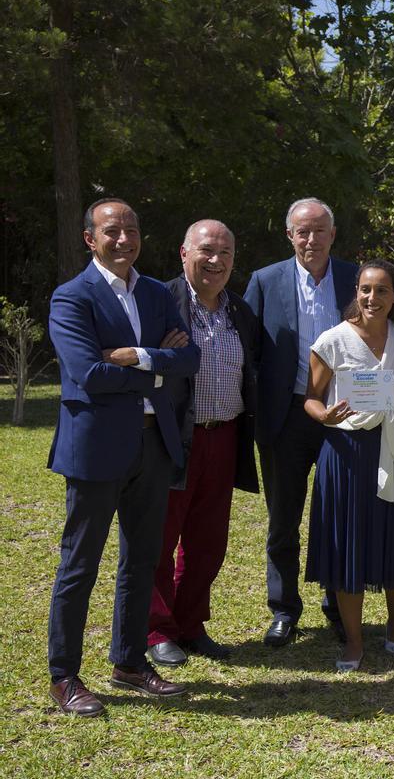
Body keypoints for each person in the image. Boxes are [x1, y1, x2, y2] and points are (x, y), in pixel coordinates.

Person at [46, 198, 200, 716]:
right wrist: (161, 365)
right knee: (80, 563)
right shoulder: (72, 298)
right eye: (111, 231)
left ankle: (130, 662)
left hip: (153, 447)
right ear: (91, 238)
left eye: (131, 230)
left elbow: (190, 358)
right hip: (96, 449)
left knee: (142, 560)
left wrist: (138, 358)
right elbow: (87, 373)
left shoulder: (156, 292)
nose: (123, 240)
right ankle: (64, 676)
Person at [243, 198, 357, 647]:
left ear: (333, 234)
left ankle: (336, 605)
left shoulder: (354, 278)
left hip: (343, 415)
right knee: (283, 518)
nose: (311, 239)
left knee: (336, 514)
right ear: (289, 235)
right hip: (285, 416)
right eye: (302, 232)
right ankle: (284, 609)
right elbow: (247, 348)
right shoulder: (265, 281)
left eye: (319, 230)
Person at [304, 259, 394, 672]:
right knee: (348, 545)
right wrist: (324, 416)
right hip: (347, 452)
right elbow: (311, 397)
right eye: (365, 289)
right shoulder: (333, 340)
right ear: (356, 292)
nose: (372, 298)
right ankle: (354, 642)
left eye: (381, 290)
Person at [148, 220, 260, 667]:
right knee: (159, 536)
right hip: (172, 437)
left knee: (208, 541)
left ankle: (191, 625)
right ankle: (156, 629)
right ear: (183, 252)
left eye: (225, 253)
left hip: (225, 435)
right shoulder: (160, 302)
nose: (216, 261)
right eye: (207, 251)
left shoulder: (239, 310)